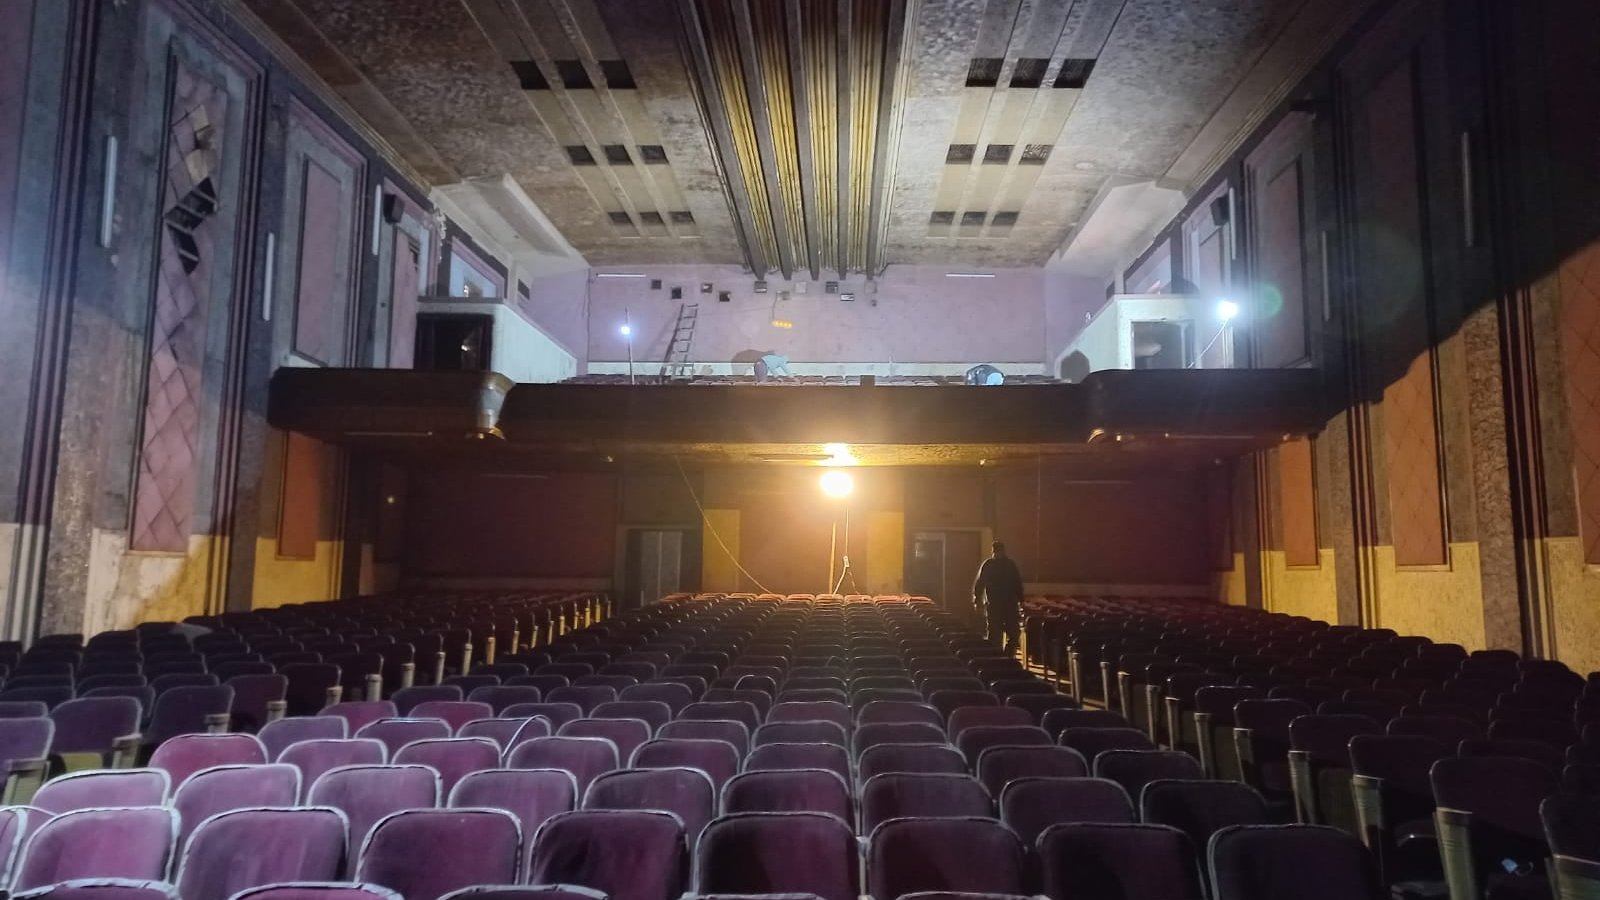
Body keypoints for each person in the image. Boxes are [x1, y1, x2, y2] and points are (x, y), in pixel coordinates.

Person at [972, 541, 1024, 654]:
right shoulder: (990, 565)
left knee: (1013, 634)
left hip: (1007, 605)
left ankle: (1007, 655)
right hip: (996, 605)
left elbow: (1017, 584)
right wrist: (977, 600)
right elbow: (979, 584)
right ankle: (998, 657)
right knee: (995, 636)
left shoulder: (1008, 565)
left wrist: (1021, 600)